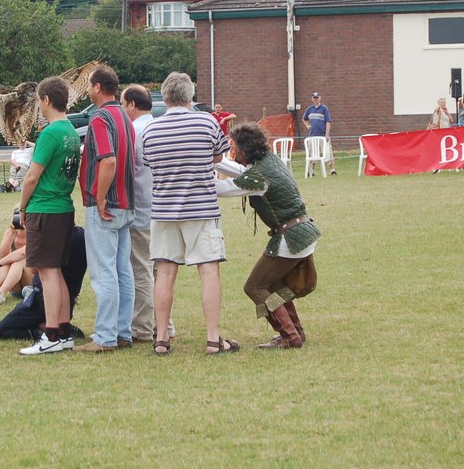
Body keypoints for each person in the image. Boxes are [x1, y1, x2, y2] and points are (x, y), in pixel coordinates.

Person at [142, 71, 238, 356]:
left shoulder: (151, 129)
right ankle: (212, 338)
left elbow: (149, 162)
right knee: (208, 270)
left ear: (166, 97)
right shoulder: (207, 121)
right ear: (189, 96)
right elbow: (218, 158)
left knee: (165, 273)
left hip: (163, 210)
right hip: (201, 208)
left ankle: (161, 338)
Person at [215, 123, 320, 349]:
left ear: (245, 149)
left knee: (255, 287)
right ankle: (296, 332)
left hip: (290, 238)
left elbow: (222, 189)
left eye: (235, 148)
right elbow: (242, 171)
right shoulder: (269, 162)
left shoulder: (260, 176)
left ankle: (289, 336)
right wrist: (212, 159)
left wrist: (191, 176)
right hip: (301, 232)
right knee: (273, 284)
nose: (233, 152)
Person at [17, 76, 81, 356]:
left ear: (45, 100)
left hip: (45, 208)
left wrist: (22, 206)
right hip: (64, 206)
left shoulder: (50, 133)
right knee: (57, 272)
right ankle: (64, 331)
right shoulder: (71, 130)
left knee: (47, 272)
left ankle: (51, 333)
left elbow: (32, 175)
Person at [77, 64, 135, 353]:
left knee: (104, 273)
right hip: (127, 203)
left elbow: (108, 160)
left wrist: (99, 197)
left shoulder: (100, 118)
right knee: (123, 270)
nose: (88, 89)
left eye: (89, 84)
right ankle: (123, 331)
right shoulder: (124, 116)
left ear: (98, 87)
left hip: (106, 206)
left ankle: (105, 337)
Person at [0, 226, 88, 341]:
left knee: (0, 330)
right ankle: (62, 327)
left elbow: (34, 269)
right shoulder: (81, 235)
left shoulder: (47, 238)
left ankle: (45, 332)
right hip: (68, 304)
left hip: (42, 301)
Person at [122, 84, 156, 343]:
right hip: (162, 209)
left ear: (132, 104)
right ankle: (162, 324)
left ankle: (142, 327)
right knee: (159, 270)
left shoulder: (133, 131)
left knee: (141, 269)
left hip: (141, 209)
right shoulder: (158, 127)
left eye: (123, 105)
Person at [0, 221, 32, 306]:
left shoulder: (35, 232)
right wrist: (12, 233)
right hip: (15, 287)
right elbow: (2, 255)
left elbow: (23, 253)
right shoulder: (9, 232)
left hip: (30, 284)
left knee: (19, 261)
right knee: (7, 262)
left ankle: (0, 293)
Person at [302, 91, 336, 175]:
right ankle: (311, 171)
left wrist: (327, 134)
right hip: (312, 136)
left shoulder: (324, 108)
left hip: (323, 135)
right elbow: (304, 118)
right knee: (312, 154)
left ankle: (332, 170)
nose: (315, 99)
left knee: (328, 152)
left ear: (320, 98)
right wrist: (307, 125)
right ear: (312, 99)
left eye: (317, 98)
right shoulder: (309, 109)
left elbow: (328, 121)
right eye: (314, 98)